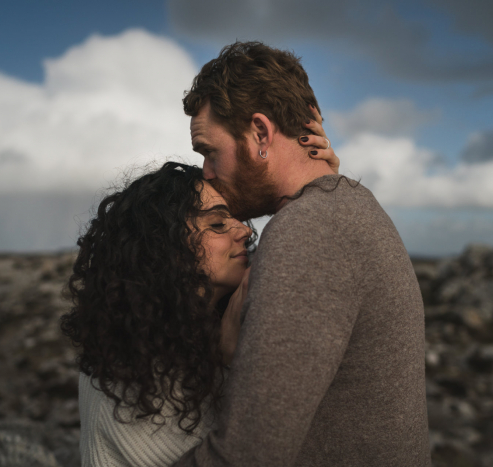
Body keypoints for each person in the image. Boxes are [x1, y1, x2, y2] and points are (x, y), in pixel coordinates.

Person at [176, 41, 431, 467]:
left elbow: (246, 456)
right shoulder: (343, 206)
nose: (206, 171)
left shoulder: (310, 230)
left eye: (208, 151)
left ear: (260, 133)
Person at [61, 114, 339, 467]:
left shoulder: (212, 330)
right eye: (219, 223)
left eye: (237, 219)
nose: (245, 232)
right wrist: (228, 362)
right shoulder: (125, 370)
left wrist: (315, 185)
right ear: (165, 248)